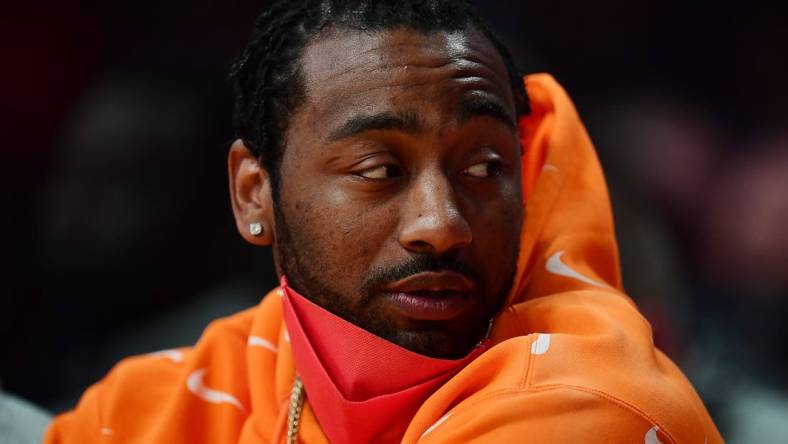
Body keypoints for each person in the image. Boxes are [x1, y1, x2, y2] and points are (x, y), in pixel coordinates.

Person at [45, 1, 723, 442]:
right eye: (379, 169)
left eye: (484, 166)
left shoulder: (592, 406)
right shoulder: (162, 402)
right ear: (255, 195)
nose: (442, 224)